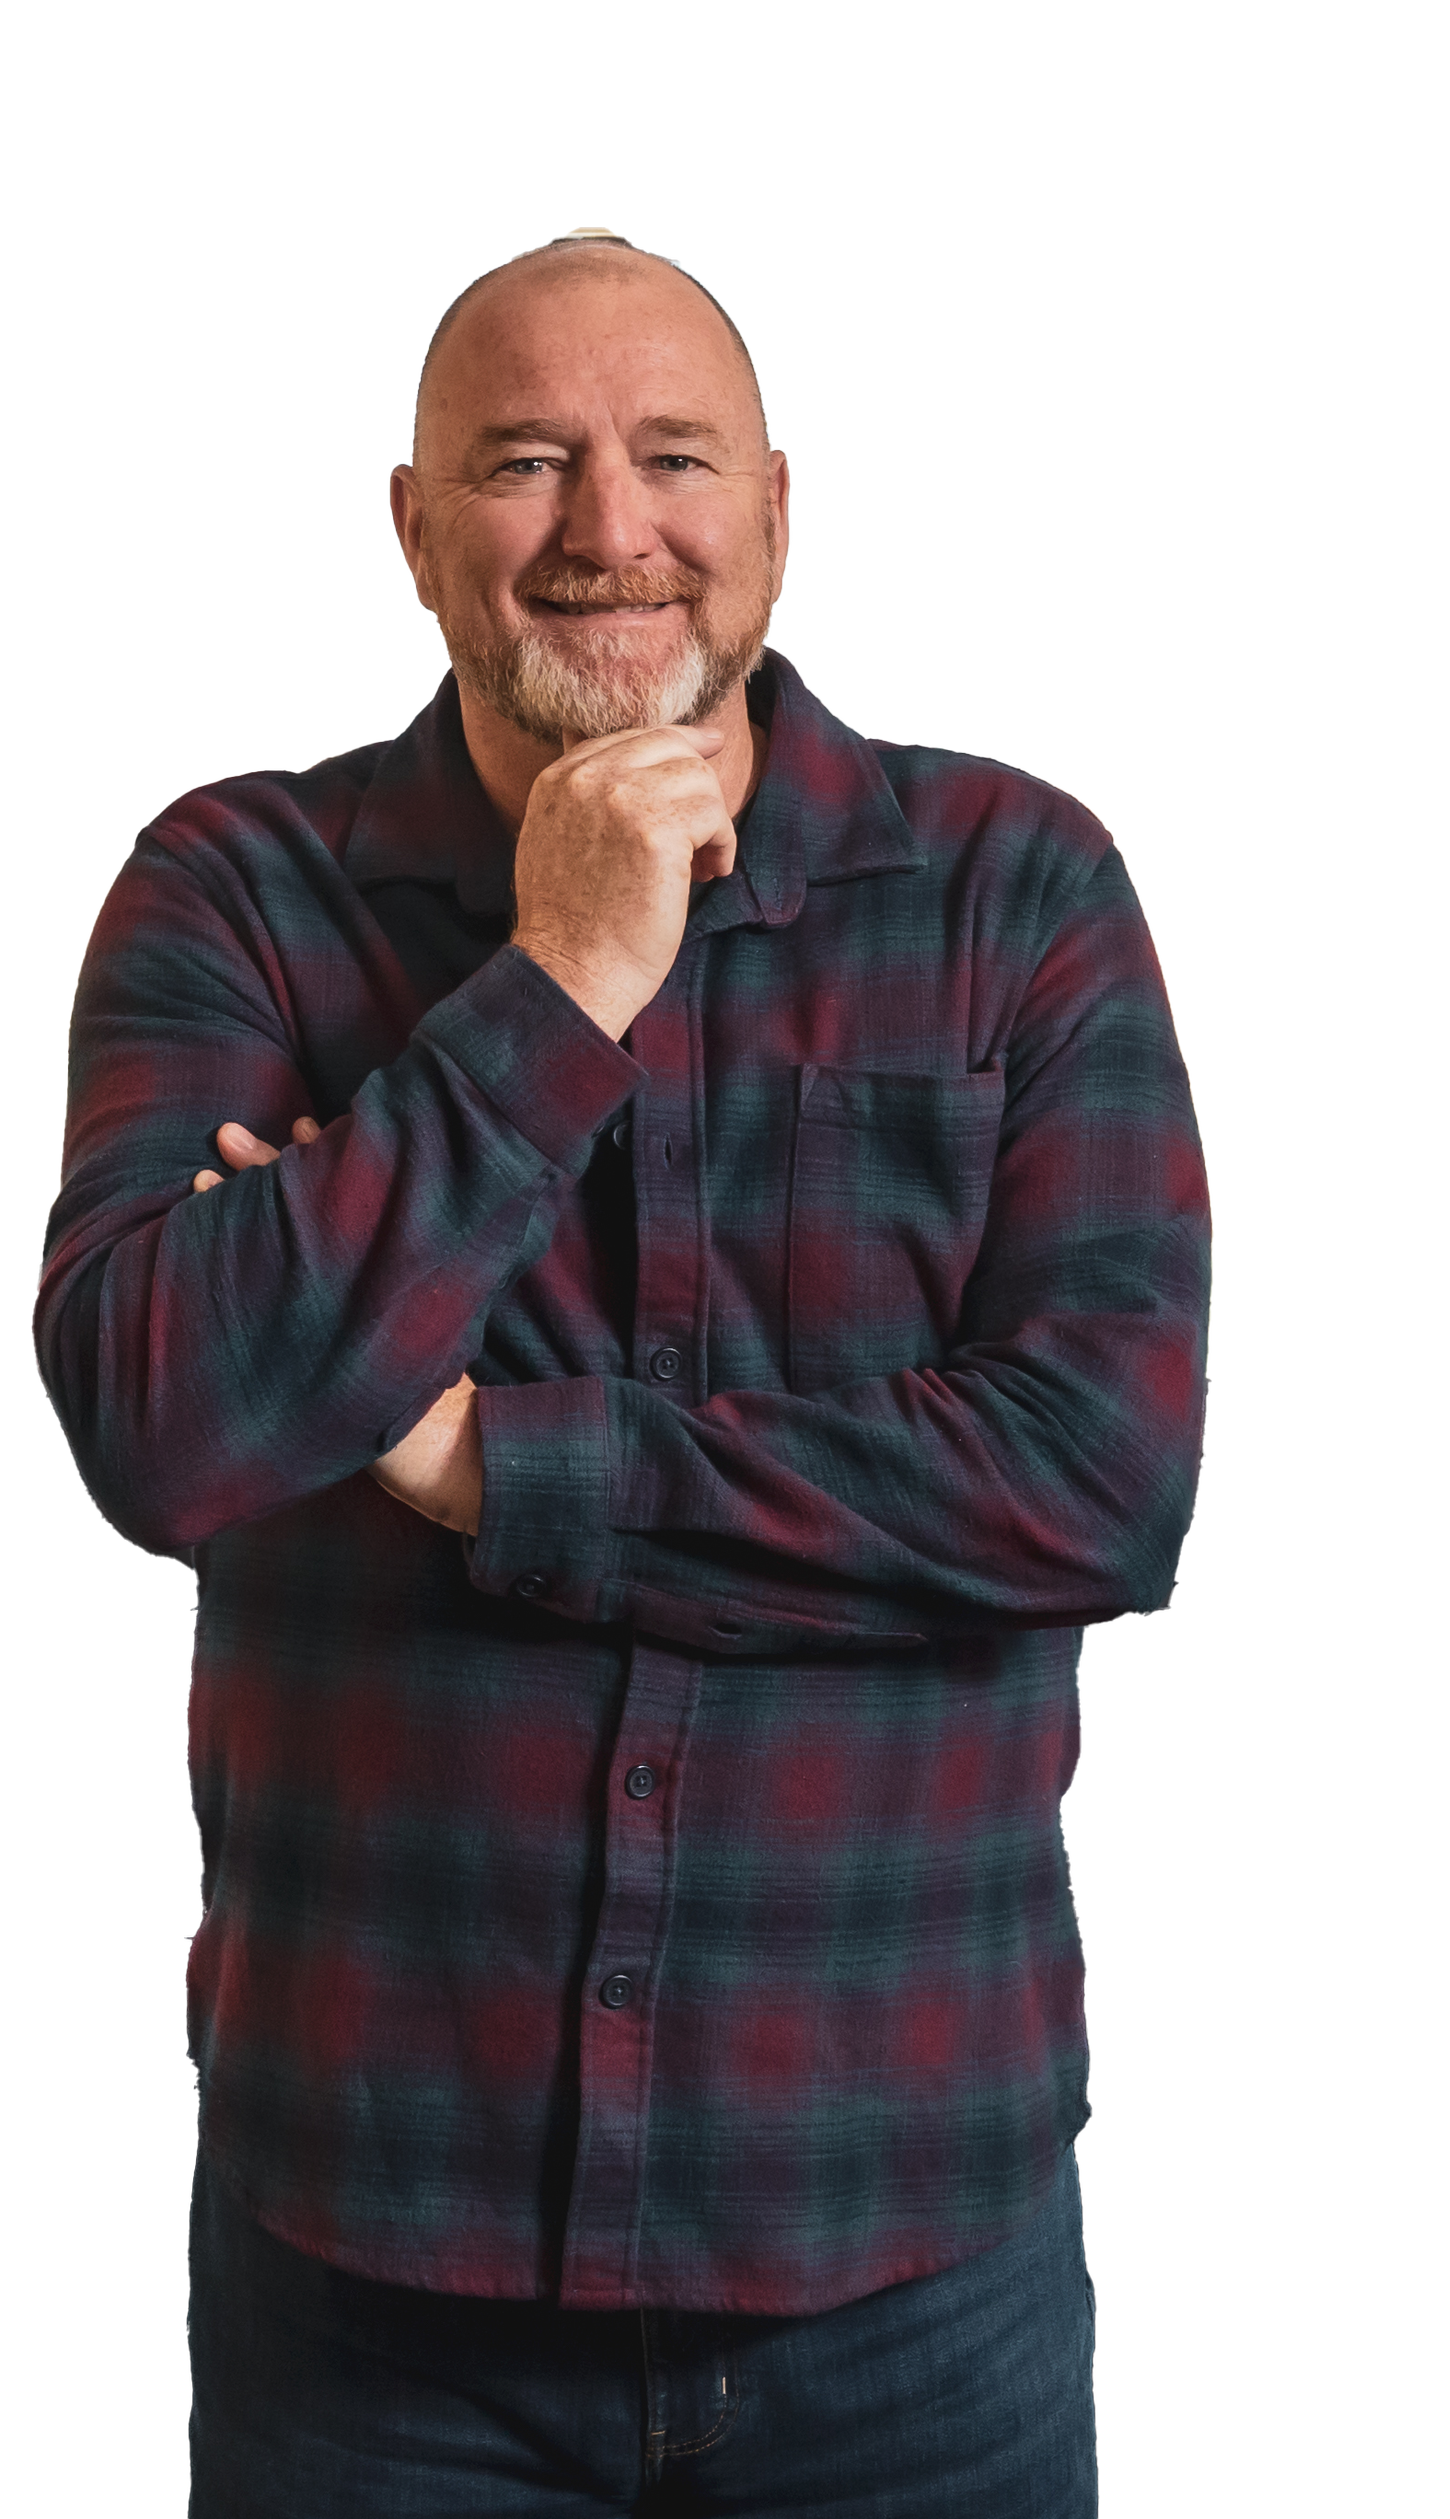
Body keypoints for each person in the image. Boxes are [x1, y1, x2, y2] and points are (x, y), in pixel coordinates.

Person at [34, 236, 1210, 2517]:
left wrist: (494, 1459)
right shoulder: (233, 891)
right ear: (409, 523)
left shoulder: (1017, 890)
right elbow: (164, 1413)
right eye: (523, 463)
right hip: (371, 2273)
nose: (605, 527)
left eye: (672, 457)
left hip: (909, 2263)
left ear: (775, 512)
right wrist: (564, 975)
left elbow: (1097, 1480)